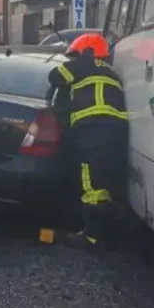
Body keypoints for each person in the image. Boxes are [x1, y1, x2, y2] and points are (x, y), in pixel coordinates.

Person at [46, 33, 129, 248]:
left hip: (92, 130)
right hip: (117, 132)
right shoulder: (113, 73)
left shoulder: (82, 65)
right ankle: (108, 233)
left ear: (85, 52)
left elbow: (55, 76)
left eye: (74, 55)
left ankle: (91, 238)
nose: (71, 59)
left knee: (91, 184)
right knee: (108, 181)